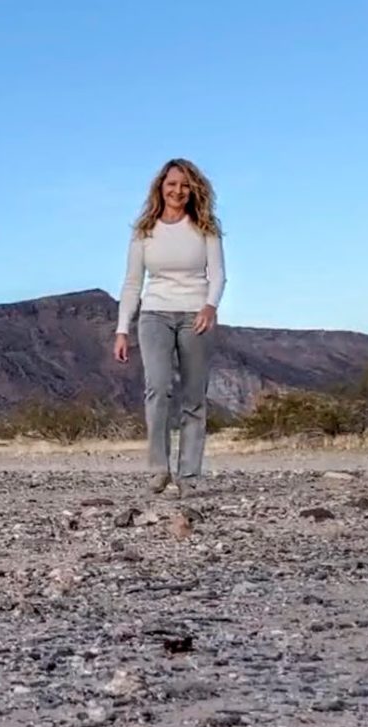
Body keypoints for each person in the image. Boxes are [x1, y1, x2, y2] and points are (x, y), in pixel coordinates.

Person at [113, 158, 226, 497]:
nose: (178, 190)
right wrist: (122, 329)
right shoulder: (144, 231)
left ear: (194, 190)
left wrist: (210, 305)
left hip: (196, 315)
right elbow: (133, 283)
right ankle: (158, 469)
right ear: (161, 187)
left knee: (194, 397)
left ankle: (188, 476)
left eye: (185, 185)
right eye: (172, 184)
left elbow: (218, 274)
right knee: (158, 390)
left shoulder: (205, 227)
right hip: (155, 315)